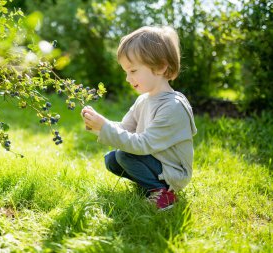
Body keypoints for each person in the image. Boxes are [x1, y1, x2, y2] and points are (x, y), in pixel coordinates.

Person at [81, 26, 197, 210]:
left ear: (160, 67)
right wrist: (98, 125)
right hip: (155, 159)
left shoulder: (172, 106)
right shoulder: (144, 99)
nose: (128, 78)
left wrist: (105, 128)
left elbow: (141, 144)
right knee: (112, 160)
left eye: (133, 71)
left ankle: (164, 194)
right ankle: (151, 186)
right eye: (126, 72)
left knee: (125, 154)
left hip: (172, 171)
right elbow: (126, 128)